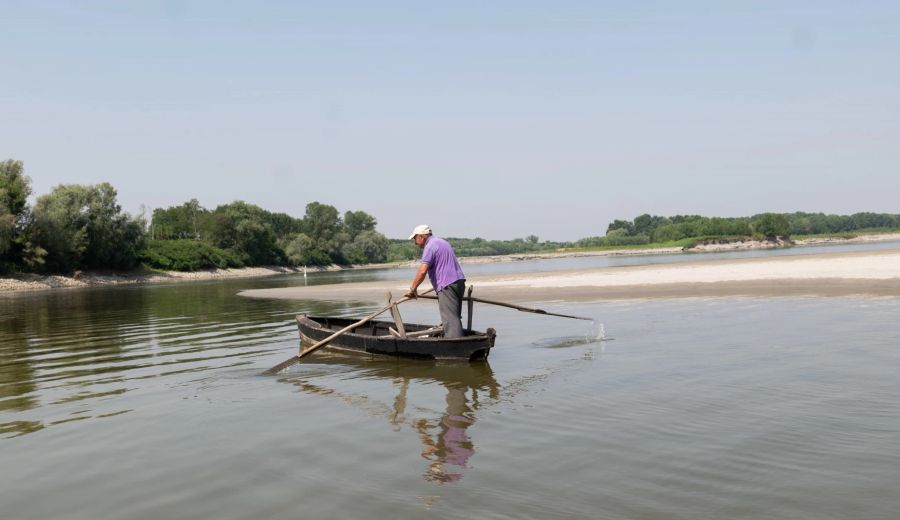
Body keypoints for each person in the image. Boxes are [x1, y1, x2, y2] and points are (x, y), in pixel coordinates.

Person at [405, 225, 466, 338]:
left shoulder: (430, 246)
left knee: (450, 319)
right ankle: (456, 338)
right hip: (459, 282)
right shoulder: (442, 242)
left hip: (447, 285)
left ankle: (455, 346)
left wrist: (413, 289)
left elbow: (422, 271)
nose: (415, 243)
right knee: (455, 316)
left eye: (415, 239)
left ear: (422, 236)